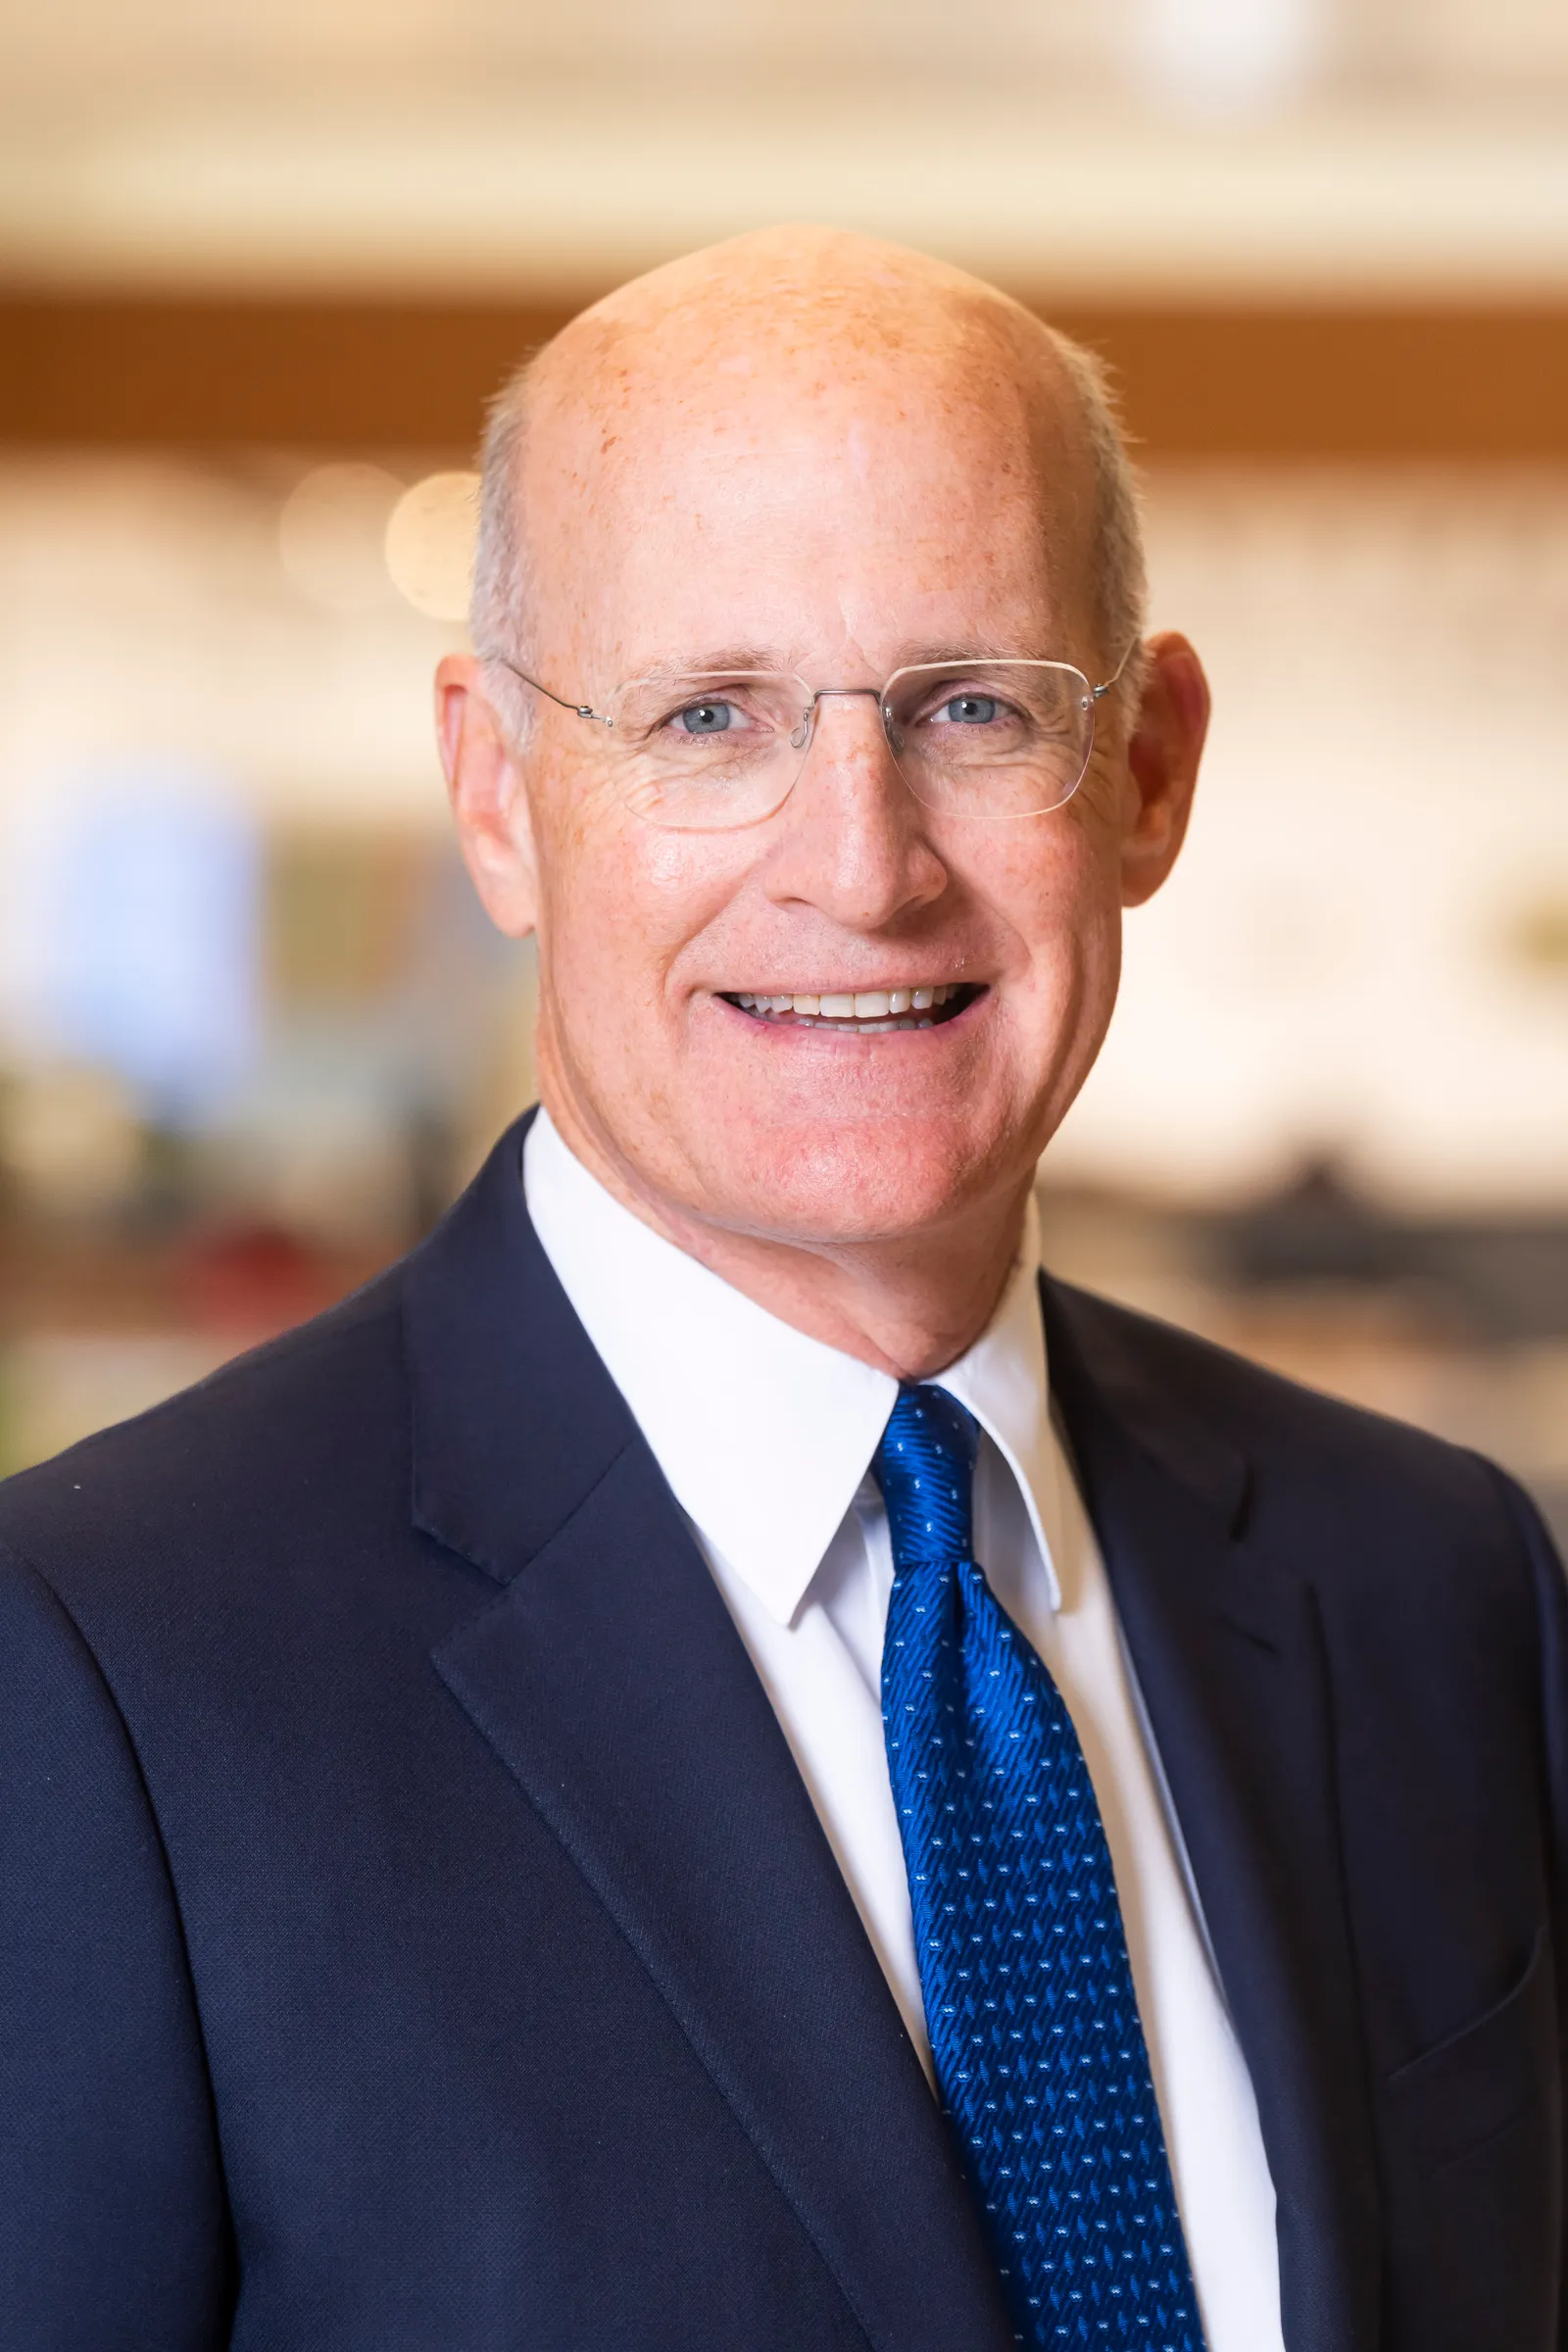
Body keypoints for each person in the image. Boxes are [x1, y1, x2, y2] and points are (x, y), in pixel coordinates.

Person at [0, 226, 1561, 2352]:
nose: (859, 862)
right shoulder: (102, 1670)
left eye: (974, 708)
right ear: (497, 793)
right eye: (706, 715)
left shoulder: (1436, 1578)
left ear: (1151, 771)